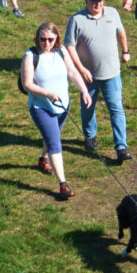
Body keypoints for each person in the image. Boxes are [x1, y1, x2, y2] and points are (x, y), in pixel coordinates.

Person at [63, 0, 132, 163]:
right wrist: (81, 69)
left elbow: (121, 32)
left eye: (101, 0)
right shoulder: (77, 20)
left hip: (112, 73)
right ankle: (90, 136)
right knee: (88, 108)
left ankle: (121, 147)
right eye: (94, 1)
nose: (98, 4)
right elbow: (69, 46)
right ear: (86, 1)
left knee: (116, 109)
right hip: (89, 75)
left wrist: (125, 51)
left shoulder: (112, 13)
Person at [23, 22, 92, 201]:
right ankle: (63, 185)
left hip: (62, 106)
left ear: (56, 39)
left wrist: (84, 91)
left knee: (52, 136)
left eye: (50, 39)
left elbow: (73, 73)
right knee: (55, 143)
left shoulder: (61, 52)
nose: (46, 43)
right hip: (41, 107)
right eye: (43, 39)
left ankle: (42, 159)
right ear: (37, 38)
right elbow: (27, 84)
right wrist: (47, 93)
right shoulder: (31, 56)